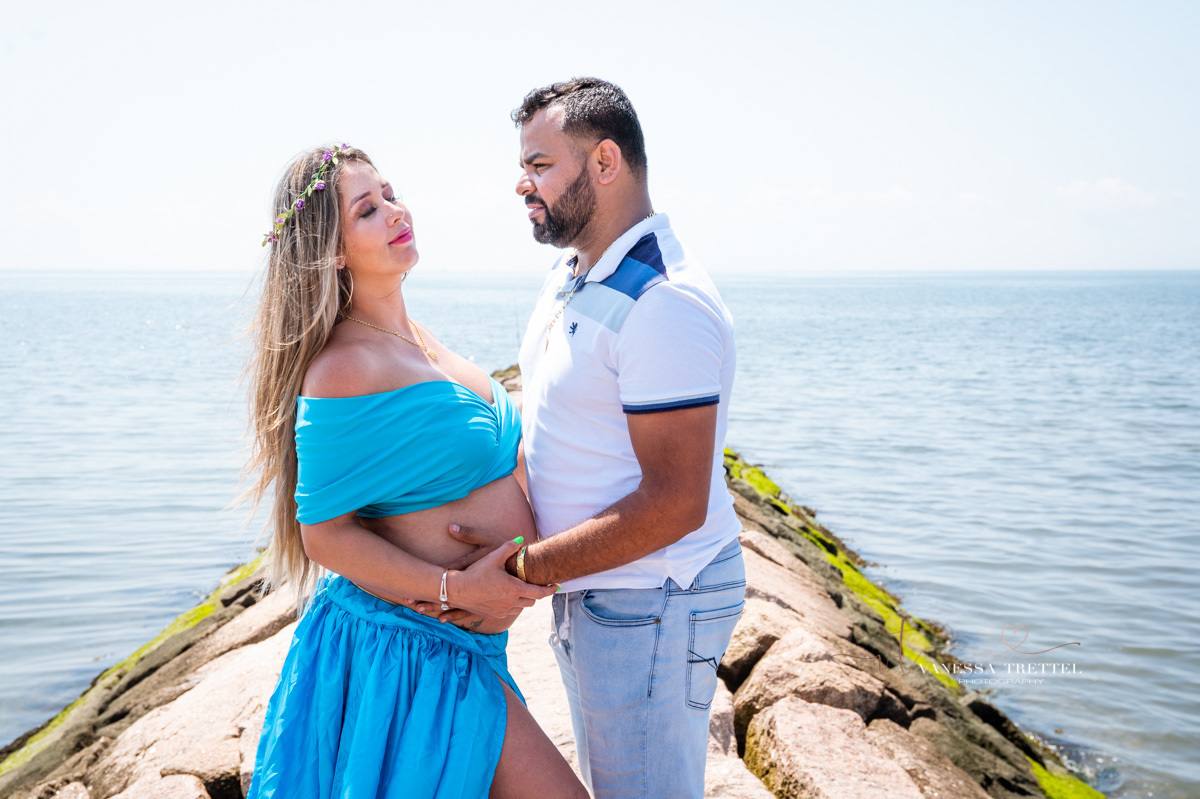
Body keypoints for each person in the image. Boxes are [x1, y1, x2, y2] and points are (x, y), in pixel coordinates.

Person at [242, 144, 588, 798]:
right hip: (406, 646)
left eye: (391, 194)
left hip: (457, 649)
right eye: (367, 210)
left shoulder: (422, 340)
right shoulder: (344, 367)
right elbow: (324, 533)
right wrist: (458, 591)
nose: (396, 212)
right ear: (334, 251)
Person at [442, 78, 745, 797]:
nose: (522, 183)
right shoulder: (572, 273)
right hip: (603, 595)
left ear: (605, 162)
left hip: (652, 601)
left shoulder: (663, 302)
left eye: (541, 164)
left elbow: (676, 503)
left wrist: (520, 574)